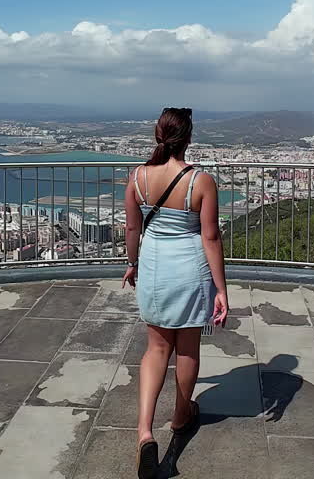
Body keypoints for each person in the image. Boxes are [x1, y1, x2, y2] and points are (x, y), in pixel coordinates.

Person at [122, 107, 228, 479]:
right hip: (190, 270)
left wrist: (133, 264)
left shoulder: (137, 177)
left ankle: (145, 432)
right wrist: (221, 288)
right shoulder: (201, 181)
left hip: (153, 267)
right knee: (187, 348)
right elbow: (210, 236)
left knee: (155, 348)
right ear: (189, 137)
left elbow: (133, 230)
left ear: (158, 135)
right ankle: (181, 416)